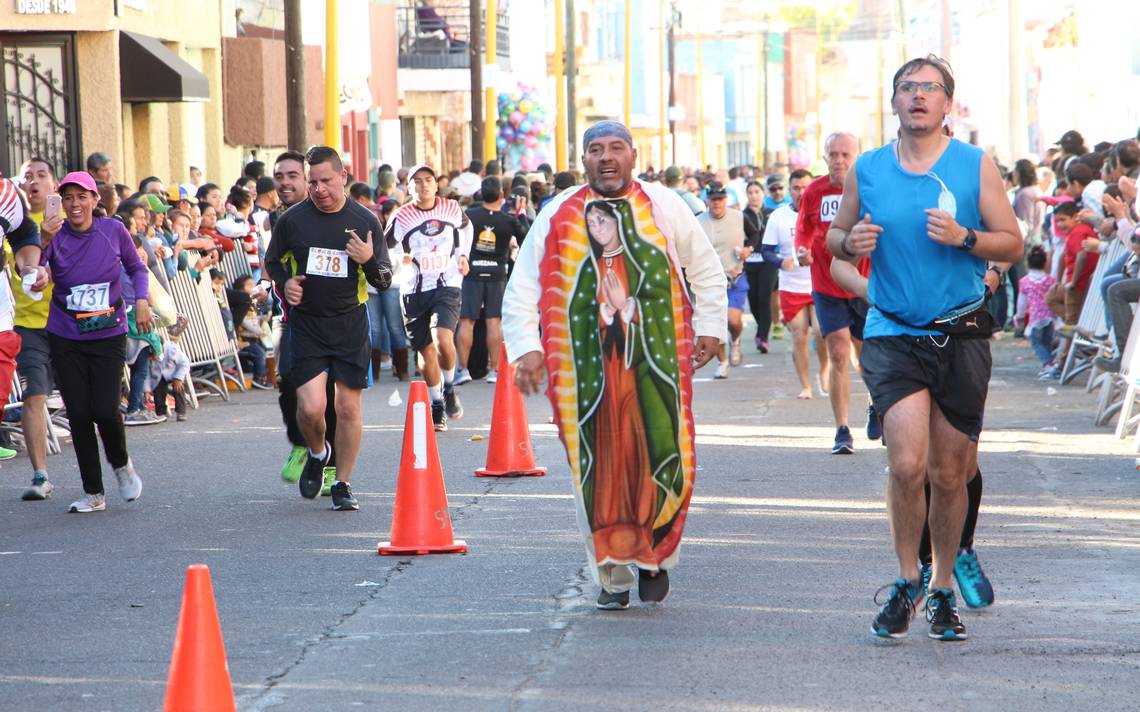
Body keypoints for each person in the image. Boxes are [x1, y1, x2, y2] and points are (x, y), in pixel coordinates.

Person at [827, 56, 1023, 640]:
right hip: (893, 333)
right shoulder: (867, 168)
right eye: (907, 88)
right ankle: (906, 578)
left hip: (961, 333)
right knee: (906, 462)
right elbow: (836, 240)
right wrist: (850, 237)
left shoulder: (974, 165)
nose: (917, 97)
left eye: (929, 89)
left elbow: (1012, 243)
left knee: (949, 471)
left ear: (947, 105)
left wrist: (966, 238)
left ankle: (941, 587)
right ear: (893, 103)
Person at [502, 120, 727, 610]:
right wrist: (527, 347)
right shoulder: (559, 213)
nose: (606, 158)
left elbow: (704, 267)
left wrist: (710, 326)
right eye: (595, 150)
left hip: (655, 368)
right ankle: (611, 576)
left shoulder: (664, 204)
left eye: (616, 148)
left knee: (669, 456)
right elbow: (523, 287)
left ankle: (656, 560)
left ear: (633, 155)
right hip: (585, 374)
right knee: (594, 469)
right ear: (583, 160)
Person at [265, 146, 391, 511]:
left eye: (327, 181)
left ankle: (344, 483)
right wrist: (286, 284)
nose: (320, 189)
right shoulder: (293, 221)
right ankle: (319, 453)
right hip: (307, 325)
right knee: (310, 408)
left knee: (348, 408)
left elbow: (383, 280)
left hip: (350, 323)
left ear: (343, 178)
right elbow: (273, 262)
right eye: (313, 182)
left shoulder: (365, 220)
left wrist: (367, 261)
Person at [41, 171, 151, 513]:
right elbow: (36, 275)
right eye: (68, 198)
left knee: (104, 409)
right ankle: (93, 493)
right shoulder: (52, 234)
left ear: (94, 200)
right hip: (65, 334)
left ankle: (121, 465)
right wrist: (43, 246)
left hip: (107, 330)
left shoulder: (113, 230)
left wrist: (143, 300)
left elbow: (138, 268)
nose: (75, 205)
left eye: (81, 197)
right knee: (78, 412)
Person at [796, 131, 873, 454]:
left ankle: (876, 404)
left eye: (846, 155)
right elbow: (804, 230)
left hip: (865, 285)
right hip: (826, 285)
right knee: (839, 351)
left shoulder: (870, 188)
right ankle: (842, 430)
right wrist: (802, 251)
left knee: (868, 356)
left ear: (857, 157)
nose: (839, 161)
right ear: (825, 156)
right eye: (833, 154)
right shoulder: (814, 191)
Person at [386, 164, 472, 431]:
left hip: (446, 284)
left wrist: (463, 256)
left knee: (443, 339)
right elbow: (385, 248)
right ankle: (436, 403)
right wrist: (400, 260)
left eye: (428, 180)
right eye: (417, 182)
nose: (423, 186)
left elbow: (467, 230)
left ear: (436, 184)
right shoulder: (401, 217)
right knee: (424, 353)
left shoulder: (451, 209)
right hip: (413, 289)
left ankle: (449, 388)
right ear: (408, 187)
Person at [11, 159, 61, 498]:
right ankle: (40, 476)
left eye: (42, 175)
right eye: (28, 176)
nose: (34, 182)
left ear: (55, 184)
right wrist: (40, 239)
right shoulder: (14, 225)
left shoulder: (72, 222)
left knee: (85, 400)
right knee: (34, 396)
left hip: (68, 322)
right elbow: (21, 264)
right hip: (27, 325)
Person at [455, 176, 528, 385]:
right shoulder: (508, 220)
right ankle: (494, 370)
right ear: (502, 196)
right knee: (493, 321)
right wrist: (520, 214)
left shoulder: (470, 216)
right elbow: (526, 237)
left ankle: (463, 369)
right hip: (497, 275)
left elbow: (455, 237)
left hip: (472, 273)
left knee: (467, 321)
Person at [766, 169, 830, 399]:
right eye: (795, 188)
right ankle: (806, 385)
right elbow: (766, 251)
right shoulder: (778, 217)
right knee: (800, 335)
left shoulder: (825, 213)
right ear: (789, 189)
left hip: (818, 283)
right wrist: (782, 261)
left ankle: (824, 373)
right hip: (791, 286)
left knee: (823, 332)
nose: (801, 192)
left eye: (805, 187)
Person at [698, 180, 757, 378]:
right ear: (707, 201)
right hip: (711, 280)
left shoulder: (739, 217)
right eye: (713, 200)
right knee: (717, 324)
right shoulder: (699, 222)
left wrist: (749, 249)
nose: (717, 204)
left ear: (726, 200)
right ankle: (722, 363)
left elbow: (755, 234)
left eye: (720, 200)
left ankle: (737, 339)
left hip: (735, 277)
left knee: (732, 319)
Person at [1044, 201, 1098, 325]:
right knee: (1051, 297)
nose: (1060, 224)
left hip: (1078, 285)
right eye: (1057, 221)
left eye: (1063, 220)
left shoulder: (1078, 232)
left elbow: (1082, 256)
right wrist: (1057, 281)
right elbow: (1063, 256)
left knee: (1071, 324)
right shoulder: (1076, 232)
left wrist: (1073, 281)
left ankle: (1077, 324)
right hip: (1075, 283)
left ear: (1075, 217)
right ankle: (1079, 319)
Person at [1014, 246, 1058, 377]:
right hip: (1051, 316)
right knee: (1047, 341)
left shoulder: (1025, 281)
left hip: (1036, 317)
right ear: (1045, 263)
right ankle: (1050, 364)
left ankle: (1048, 363)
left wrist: (1019, 317)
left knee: (1036, 342)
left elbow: (1021, 303)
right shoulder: (1050, 280)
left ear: (1027, 263)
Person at [152, 315, 190, 422]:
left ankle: (181, 412)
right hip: (159, 374)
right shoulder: (149, 356)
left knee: (179, 388)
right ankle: (160, 412)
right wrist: (146, 390)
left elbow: (184, 362)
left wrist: (178, 378)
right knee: (158, 390)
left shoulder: (171, 349)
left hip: (174, 372)